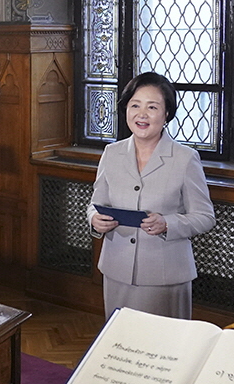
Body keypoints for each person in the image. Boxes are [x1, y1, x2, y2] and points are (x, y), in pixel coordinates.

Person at [88, 72, 215, 321]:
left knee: (163, 350)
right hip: (117, 270)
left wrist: (167, 223)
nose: (141, 114)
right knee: (119, 344)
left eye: (152, 107)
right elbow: (95, 204)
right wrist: (94, 219)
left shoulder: (185, 158)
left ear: (167, 114)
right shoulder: (111, 153)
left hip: (165, 275)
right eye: (135, 105)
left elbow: (205, 217)